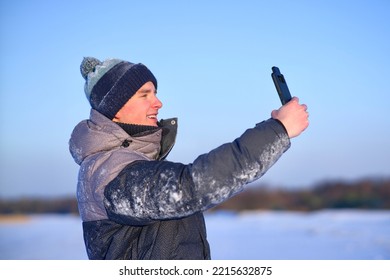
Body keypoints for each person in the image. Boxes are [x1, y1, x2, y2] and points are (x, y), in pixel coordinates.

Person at [69, 56, 309, 260]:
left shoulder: (128, 163)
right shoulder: (109, 170)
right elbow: (191, 188)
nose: (158, 102)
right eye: (145, 95)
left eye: (155, 93)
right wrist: (278, 130)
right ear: (116, 109)